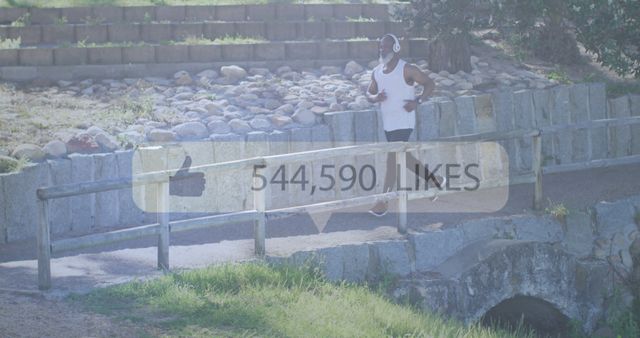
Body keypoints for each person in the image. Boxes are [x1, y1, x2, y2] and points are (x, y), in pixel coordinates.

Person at [367, 33, 445, 217]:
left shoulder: (407, 69)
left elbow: (429, 84)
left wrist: (417, 101)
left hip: (404, 121)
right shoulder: (377, 72)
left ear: (395, 48)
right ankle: (435, 180)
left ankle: (382, 202)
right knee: (403, 158)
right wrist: (375, 97)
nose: (382, 49)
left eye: (386, 46)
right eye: (380, 46)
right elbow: (369, 94)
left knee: (392, 159)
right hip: (388, 123)